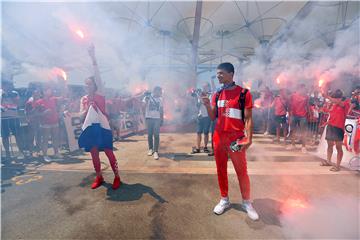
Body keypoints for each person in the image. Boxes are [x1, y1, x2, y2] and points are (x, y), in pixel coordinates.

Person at [202, 62, 259, 221]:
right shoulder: (217, 94)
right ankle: (224, 199)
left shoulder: (244, 93)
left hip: (236, 138)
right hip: (219, 137)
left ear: (231, 74)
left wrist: (249, 139)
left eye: (221, 73)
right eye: (217, 73)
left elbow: (248, 119)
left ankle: (247, 202)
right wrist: (207, 105)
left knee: (242, 171)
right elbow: (213, 117)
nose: (218, 76)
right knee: (221, 169)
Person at [78, 44, 121, 190]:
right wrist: (83, 112)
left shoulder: (100, 93)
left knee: (109, 152)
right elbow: (80, 114)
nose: (87, 86)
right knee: (94, 155)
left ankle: (117, 177)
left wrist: (93, 57)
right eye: (85, 84)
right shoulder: (83, 98)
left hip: (103, 128)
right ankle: (99, 177)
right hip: (91, 129)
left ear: (95, 85)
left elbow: (97, 74)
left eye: (89, 84)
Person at [320, 89, 350, 171]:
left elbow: (340, 104)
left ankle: (337, 165)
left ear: (340, 98)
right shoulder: (334, 105)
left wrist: (327, 96)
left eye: (336, 98)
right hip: (330, 126)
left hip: (338, 128)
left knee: (338, 147)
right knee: (330, 145)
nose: (334, 100)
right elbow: (333, 115)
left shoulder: (345, 103)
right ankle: (328, 161)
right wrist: (326, 121)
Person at [34, 86, 62, 162]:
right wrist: (43, 113)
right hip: (45, 123)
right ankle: (45, 155)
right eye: (48, 90)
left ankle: (56, 153)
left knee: (55, 138)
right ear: (44, 91)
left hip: (55, 122)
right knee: (45, 139)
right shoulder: (39, 102)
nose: (50, 91)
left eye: (50, 90)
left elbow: (62, 98)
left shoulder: (54, 99)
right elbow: (35, 113)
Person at [1, 80, 25, 159]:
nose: (10, 87)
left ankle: (21, 152)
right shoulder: (0, 93)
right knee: (5, 136)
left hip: (14, 117)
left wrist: (12, 98)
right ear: (3, 85)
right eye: (8, 85)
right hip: (3, 118)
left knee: (18, 135)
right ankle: (7, 154)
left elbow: (18, 105)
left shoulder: (15, 93)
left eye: (10, 85)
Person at [143, 86, 164, 160]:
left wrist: (162, 119)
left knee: (156, 135)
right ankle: (150, 149)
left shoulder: (160, 99)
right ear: (155, 91)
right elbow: (143, 106)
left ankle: (156, 151)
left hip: (157, 119)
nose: (160, 93)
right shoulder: (147, 97)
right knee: (149, 134)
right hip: (148, 118)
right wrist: (146, 100)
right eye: (159, 91)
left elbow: (161, 109)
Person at [287, 84, 309, 153]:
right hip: (294, 115)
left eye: (304, 89)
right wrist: (289, 112)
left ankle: (303, 147)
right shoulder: (293, 95)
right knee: (293, 130)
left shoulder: (306, 97)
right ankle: (293, 144)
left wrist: (309, 114)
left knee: (303, 132)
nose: (304, 90)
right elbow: (289, 103)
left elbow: (307, 106)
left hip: (303, 116)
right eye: (302, 88)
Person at [192, 83, 212, 154]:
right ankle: (198, 148)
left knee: (206, 133)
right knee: (198, 132)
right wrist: (196, 97)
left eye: (205, 87)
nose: (204, 88)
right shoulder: (200, 94)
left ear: (208, 87)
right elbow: (198, 105)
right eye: (203, 87)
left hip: (207, 116)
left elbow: (206, 102)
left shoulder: (210, 95)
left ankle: (205, 147)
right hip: (200, 116)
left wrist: (198, 96)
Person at [25, 88, 42, 156]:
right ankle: (31, 152)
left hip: (40, 121)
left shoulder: (41, 101)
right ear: (33, 94)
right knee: (31, 138)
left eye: (38, 94)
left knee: (39, 137)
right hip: (32, 122)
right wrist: (35, 109)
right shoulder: (29, 103)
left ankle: (38, 151)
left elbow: (42, 111)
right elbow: (27, 113)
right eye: (35, 94)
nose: (37, 95)